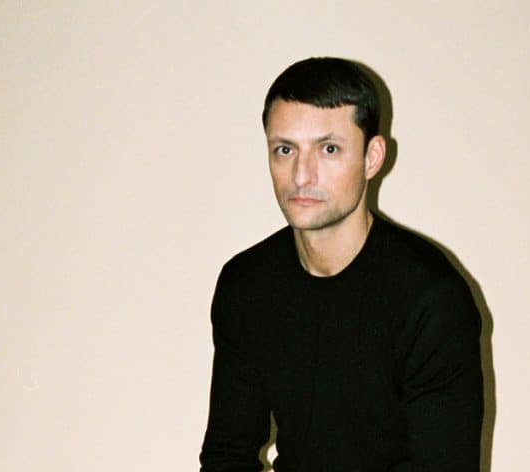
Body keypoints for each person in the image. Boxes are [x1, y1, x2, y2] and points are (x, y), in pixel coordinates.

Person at [200, 57, 483, 471]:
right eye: (285, 150)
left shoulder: (429, 297)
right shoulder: (247, 286)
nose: (302, 175)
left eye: (328, 149)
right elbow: (227, 457)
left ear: (372, 157)